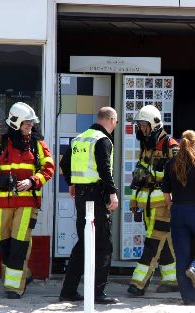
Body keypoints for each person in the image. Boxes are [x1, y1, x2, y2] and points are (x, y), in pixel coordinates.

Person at [0, 102, 55, 299]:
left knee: (19, 243)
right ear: (15, 123)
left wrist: (32, 181)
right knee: (0, 239)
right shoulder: (0, 143)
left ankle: (14, 288)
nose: (30, 125)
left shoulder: (38, 144)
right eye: (26, 122)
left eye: (31, 122)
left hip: (27, 203)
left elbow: (49, 168)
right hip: (2, 202)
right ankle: (25, 274)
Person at [58, 106, 119, 304]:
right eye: (116, 122)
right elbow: (104, 169)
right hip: (96, 196)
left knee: (84, 243)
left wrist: (72, 183)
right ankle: (98, 293)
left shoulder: (80, 138)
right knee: (103, 245)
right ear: (111, 119)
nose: (115, 126)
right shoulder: (102, 140)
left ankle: (68, 291)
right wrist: (112, 193)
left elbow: (64, 163)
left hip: (82, 197)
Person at [127, 105, 179, 296]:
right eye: (139, 125)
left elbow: (179, 177)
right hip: (147, 203)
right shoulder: (147, 146)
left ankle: (138, 283)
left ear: (153, 125)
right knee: (162, 242)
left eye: (143, 125)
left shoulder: (171, 146)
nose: (141, 129)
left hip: (163, 205)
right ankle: (171, 280)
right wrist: (133, 201)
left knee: (153, 243)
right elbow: (138, 178)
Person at [162, 130, 195, 305]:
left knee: (182, 255)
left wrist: (171, 207)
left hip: (177, 210)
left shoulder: (171, 163)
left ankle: (189, 298)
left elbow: (166, 190)